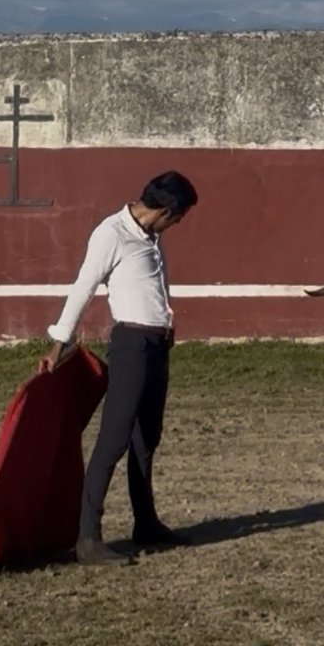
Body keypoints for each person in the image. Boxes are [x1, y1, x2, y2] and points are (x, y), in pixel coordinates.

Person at [40, 170, 198, 566]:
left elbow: (154, 287)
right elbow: (83, 286)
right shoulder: (111, 234)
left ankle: (145, 524)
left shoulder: (151, 237)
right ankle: (88, 537)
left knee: (147, 439)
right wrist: (59, 342)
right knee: (113, 440)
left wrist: (168, 324)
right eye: (179, 216)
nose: (180, 223)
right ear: (164, 211)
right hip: (131, 347)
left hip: (157, 346)